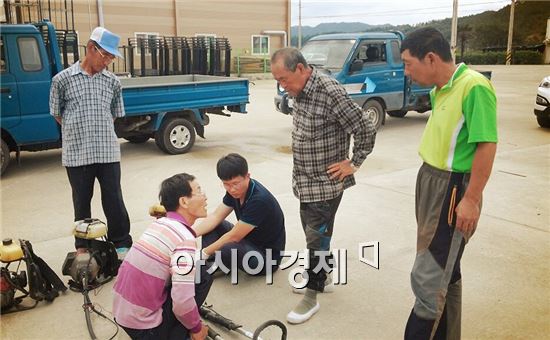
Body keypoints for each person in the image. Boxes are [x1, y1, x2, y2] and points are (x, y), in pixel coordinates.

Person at [400, 27, 498, 339]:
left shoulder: (474, 87)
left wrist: (470, 199)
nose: (406, 72)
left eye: (407, 63)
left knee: (428, 278)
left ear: (430, 58)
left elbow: (486, 144)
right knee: (446, 270)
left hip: (453, 189)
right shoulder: (438, 90)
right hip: (430, 181)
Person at [270, 48, 377, 324]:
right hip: (305, 182)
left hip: (325, 185)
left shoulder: (330, 92)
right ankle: (326, 278)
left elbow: (364, 127)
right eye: (277, 81)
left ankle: (311, 297)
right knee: (315, 235)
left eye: (284, 79)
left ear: (302, 69)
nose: (282, 86)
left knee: (316, 241)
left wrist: (354, 163)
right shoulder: (300, 91)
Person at [49, 27, 132, 257]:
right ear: (90, 48)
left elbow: (114, 113)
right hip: (78, 154)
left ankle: (121, 242)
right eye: (105, 55)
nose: (107, 61)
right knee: (81, 201)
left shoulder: (113, 82)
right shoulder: (62, 80)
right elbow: (57, 114)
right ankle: (83, 245)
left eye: (111, 57)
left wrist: (99, 129)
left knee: (114, 198)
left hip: (107, 152)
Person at [113, 173, 211, 340]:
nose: (205, 196)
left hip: (123, 313)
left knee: (200, 272)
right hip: (144, 326)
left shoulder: (160, 223)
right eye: (199, 191)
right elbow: (182, 302)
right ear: (184, 202)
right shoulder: (184, 240)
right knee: (204, 276)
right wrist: (196, 328)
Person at [194, 153, 286, 276]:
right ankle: (212, 261)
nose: (231, 189)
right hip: (246, 241)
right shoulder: (236, 191)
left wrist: (203, 252)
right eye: (226, 184)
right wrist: (187, 234)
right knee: (214, 225)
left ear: (247, 176)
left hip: (265, 259)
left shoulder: (259, 200)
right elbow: (216, 216)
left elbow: (234, 237)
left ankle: (210, 263)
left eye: (235, 183)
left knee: (227, 246)